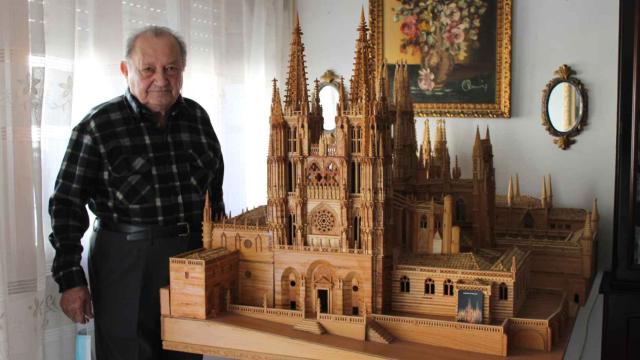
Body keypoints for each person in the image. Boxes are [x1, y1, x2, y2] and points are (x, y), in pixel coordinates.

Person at [48, 26, 224, 359]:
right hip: (125, 258)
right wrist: (71, 280)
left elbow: (214, 197)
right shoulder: (99, 125)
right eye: (148, 69)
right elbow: (66, 204)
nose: (161, 78)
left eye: (171, 68)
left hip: (191, 256)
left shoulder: (198, 119)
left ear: (181, 71)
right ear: (126, 70)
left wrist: (220, 259)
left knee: (186, 350)